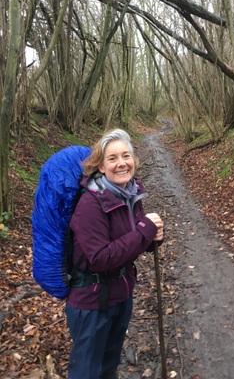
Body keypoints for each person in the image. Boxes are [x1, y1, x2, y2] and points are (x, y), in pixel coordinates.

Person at [65, 128, 164, 379]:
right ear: (100, 166)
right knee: (87, 372)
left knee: (109, 367)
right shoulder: (90, 204)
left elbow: (130, 239)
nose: (121, 163)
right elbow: (99, 258)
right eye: (112, 158)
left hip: (120, 295)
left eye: (126, 156)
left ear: (134, 160)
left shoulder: (130, 194)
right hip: (91, 302)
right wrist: (145, 232)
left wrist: (152, 240)